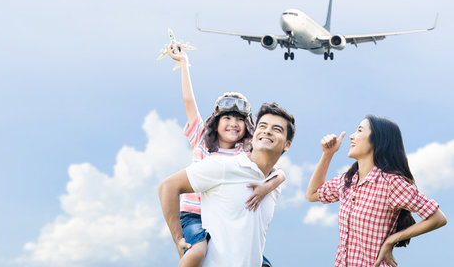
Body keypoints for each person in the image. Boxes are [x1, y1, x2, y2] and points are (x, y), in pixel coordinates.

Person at [167, 44, 285, 267]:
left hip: (227, 220)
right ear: (216, 122)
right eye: (227, 118)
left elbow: (279, 174)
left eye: (239, 119)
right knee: (197, 252)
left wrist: (265, 188)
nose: (233, 124)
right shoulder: (201, 138)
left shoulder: (246, 153)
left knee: (261, 261)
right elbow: (188, 101)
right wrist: (184, 64)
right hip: (195, 216)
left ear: (247, 125)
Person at [159, 102, 296, 267]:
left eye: (277, 129)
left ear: (287, 145)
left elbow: (280, 173)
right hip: (192, 218)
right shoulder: (223, 165)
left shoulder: (273, 182)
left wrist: (268, 186)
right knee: (197, 251)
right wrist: (178, 238)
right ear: (254, 135)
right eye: (263, 125)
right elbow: (167, 187)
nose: (267, 130)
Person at [306, 115, 447, 267]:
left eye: (359, 130)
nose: (352, 136)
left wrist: (391, 240)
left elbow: (438, 218)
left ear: (378, 139)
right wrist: (328, 154)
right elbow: (313, 194)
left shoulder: (391, 184)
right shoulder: (347, 180)